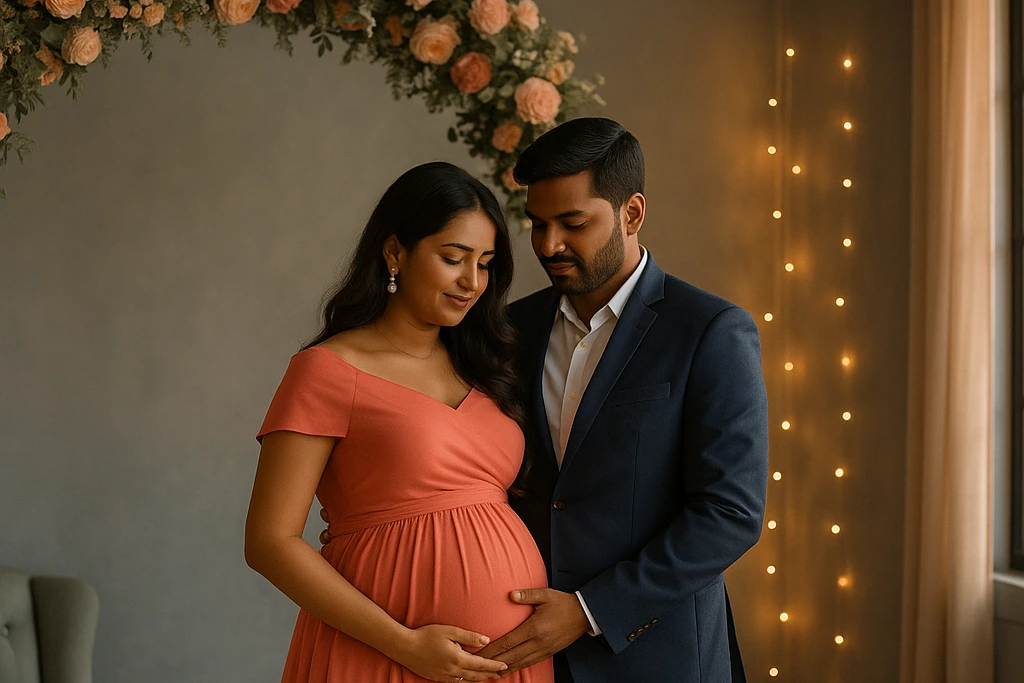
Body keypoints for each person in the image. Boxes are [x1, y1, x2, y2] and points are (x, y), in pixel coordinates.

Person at [473, 117, 769, 682]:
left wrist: (590, 612)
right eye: (536, 224)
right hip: (524, 659)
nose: (548, 245)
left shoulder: (711, 331)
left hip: (660, 659)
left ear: (631, 213)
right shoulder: (511, 329)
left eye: (572, 223)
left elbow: (731, 512)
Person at [245, 161, 554, 683]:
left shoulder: (486, 367)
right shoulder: (327, 370)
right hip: (386, 653)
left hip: (510, 661)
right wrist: (406, 645)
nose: (472, 281)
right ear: (395, 252)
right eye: (453, 259)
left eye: (485, 263)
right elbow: (269, 542)